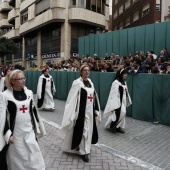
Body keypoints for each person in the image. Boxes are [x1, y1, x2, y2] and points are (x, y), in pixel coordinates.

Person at [0, 69, 46, 170]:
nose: (23, 80)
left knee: (34, 155)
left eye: (23, 78)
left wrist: (37, 127)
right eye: (20, 79)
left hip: (29, 131)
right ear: (12, 81)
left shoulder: (29, 93)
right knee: (17, 159)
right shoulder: (5, 96)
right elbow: (2, 117)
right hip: (15, 134)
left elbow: (33, 111)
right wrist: (8, 134)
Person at [61, 64, 101, 162]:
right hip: (81, 113)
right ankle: (83, 152)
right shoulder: (77, 83)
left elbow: (94, 97)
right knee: (83, 131)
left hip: (90, 113)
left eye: (88, 70)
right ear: (81, 72)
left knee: (88, 131)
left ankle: (86, 148)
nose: (87, 72)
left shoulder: (91, 83)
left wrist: (96, 110)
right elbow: (72, 99)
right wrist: (72, 113)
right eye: (85, 70)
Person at [104, 68, 132, 133]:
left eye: (126, 74)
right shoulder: (116, 82)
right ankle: (112, 127)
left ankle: (118, 127)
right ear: (121, 74)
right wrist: (115, 103)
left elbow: (126, 91)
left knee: (123, 113)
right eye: (124, 74)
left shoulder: (124, 82)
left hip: (123, 101)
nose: (126, 75)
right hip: (117, 101)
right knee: (119, 113)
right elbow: (113, 94)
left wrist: (128, 99)